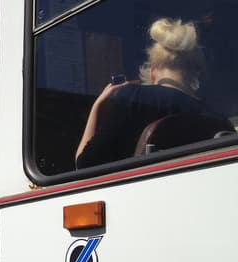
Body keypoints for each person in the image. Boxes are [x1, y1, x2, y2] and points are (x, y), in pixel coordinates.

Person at [75, 17, 220, 169]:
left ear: (152, 71)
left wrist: (97, 106)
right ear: (194, 72)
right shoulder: (216, 117)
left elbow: (84, 164)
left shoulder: (133, 97)